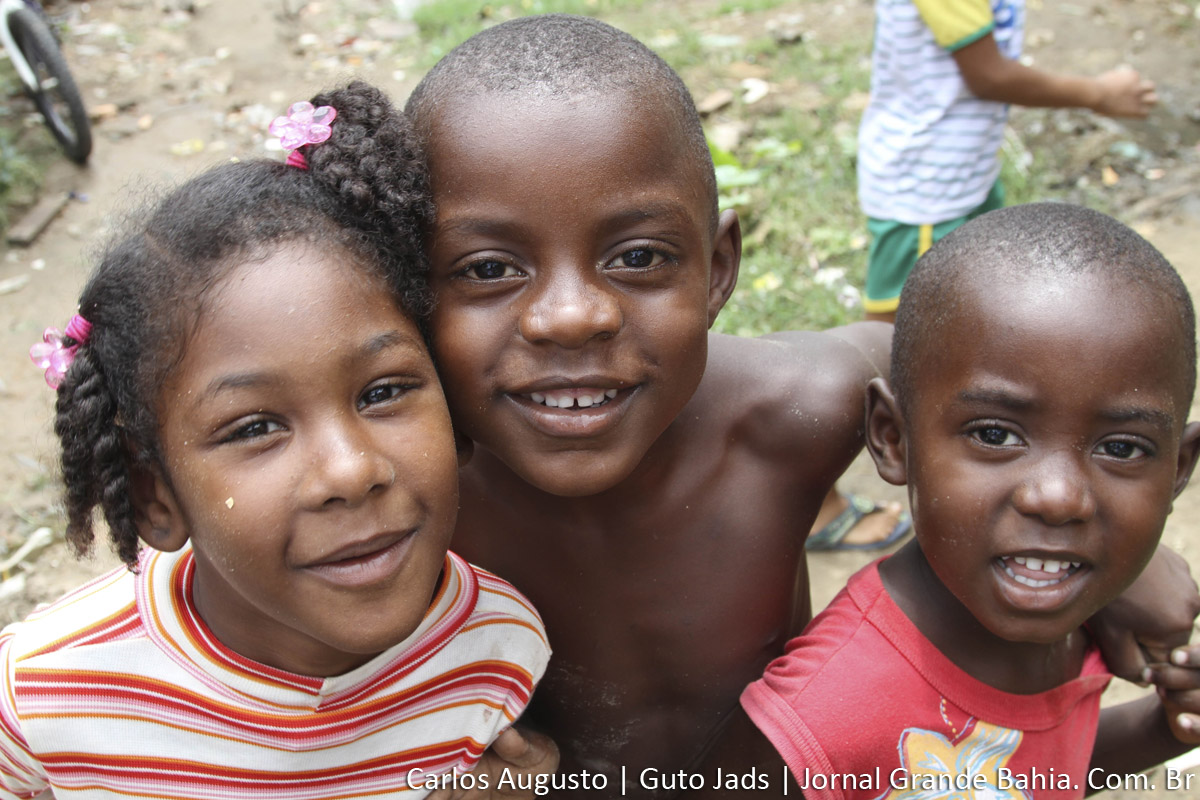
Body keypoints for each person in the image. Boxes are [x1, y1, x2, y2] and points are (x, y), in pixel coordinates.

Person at [402, 16, 1199, 797]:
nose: (572, 316)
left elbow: (982, 375)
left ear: (718, 269)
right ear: (410, 290)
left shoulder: (794, 411)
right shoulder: (397, 496)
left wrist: (1108, 546)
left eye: (637, 256)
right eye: (488, 269)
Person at [7, 82, 551, 799]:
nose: (350, 471)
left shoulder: (499, 650)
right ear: (154, 497)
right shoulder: (42, 700)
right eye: (256, 427)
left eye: (382, 392)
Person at [739, 203, 1200, 799]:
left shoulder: (1078, 610)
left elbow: (1022, 773)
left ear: (1178, 470)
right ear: (893, 439)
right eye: (994, 435)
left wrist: (1162, 730)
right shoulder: (821, 723)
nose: (1059, 499)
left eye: (1121, 448)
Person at [858, 0, 1158, 325]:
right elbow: (988, 75)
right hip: (926, 190)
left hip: (970, 173)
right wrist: (1098, 94)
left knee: (968, 305)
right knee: (898, 325)